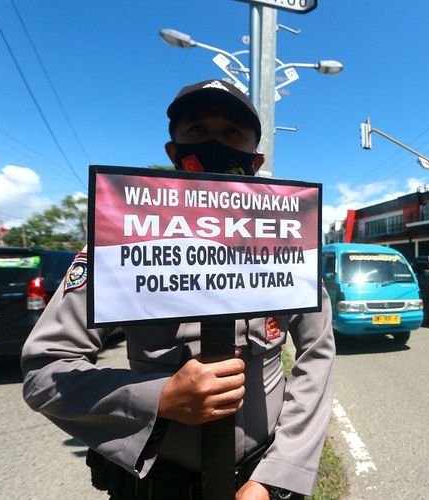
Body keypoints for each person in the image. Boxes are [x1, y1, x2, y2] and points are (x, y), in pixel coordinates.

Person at [21, 79, 335, 500]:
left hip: (259, 479)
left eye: (231, 133)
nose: (214, 143)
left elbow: (317, 352)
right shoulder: (120, 242)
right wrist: (159, 397)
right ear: (173, 151)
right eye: (197, 130)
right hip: (156, 485)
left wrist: (279, 473)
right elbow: (45, 371)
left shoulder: (287, 242)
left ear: (255, 159)